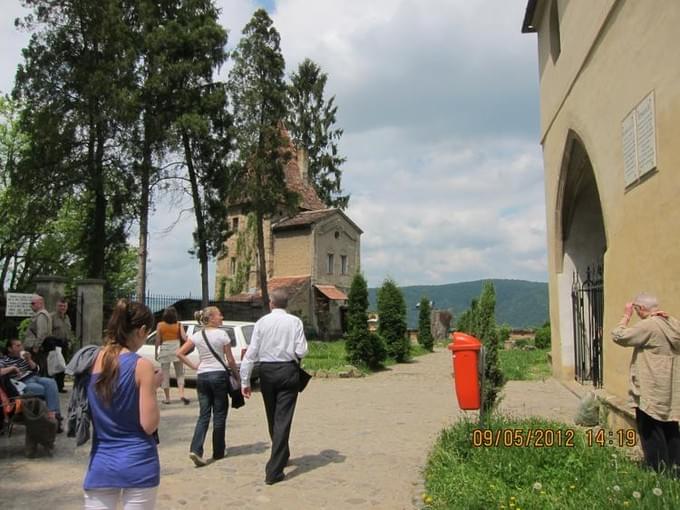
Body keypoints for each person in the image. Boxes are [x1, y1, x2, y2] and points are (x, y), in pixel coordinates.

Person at [83, 300, 161, 510]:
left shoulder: (91, 360)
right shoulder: (141, 365)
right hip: (138, 461)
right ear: (142, 330)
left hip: (100, 461)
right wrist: (153, 387)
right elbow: (149, 424)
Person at [240, 289, 308, 485]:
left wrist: (245, 381)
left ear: (271, 303)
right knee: (283, 418)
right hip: (288, 370)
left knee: (273, 416)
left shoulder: (262, 323)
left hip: (267, 371)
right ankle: (275, 468)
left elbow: (251, 353)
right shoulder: (295, 322)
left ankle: (280, 457)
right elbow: (301, 350)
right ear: (286, 304)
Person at [612, 292, 680, 475]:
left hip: (650, 387)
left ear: (640, 309)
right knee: (670, 427)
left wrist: (626, 316)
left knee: (651, 430)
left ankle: (657, 471)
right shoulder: (672, 324)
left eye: (636, 309)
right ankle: (675, 468)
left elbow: (619, 336)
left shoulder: (649, 326)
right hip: (669, 388)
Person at [177, 306, 238, 467]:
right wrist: (237, 377)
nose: (222, 317)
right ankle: (218, 451)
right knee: (219, 413)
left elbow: (180, 353)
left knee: (204, 415)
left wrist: (194, 366)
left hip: (202, 376)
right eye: (219, 315)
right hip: (218, 375)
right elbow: (230, 360)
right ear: (211, 318)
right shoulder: (222, 334)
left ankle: (196, 449)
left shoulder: (197, 335)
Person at [1, 338, 63, 431]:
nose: (21, 347)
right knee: (46, 390)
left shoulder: (23, 357)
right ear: (10, 349)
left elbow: (36, 369)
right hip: (23, 382)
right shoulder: (4, 360)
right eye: (17, 346)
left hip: (35, 377)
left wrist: (29, 359)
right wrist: (12, 368)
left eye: (21, 345)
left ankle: (52, 417)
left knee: (51, 382)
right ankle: (54, 418)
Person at [154, 306, 189, 405]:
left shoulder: (160, 325)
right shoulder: (179, 325)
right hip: (177, 351)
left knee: (165, 375)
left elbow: (157, 340)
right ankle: (181, 395)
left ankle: (167, 398)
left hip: (165, 350)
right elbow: (184, 337)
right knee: (180, 373)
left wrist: (156, 351)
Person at [24, 294, 52, 376]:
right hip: (39, 348)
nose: (31, 305)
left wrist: (36, 347)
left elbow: (42, 333)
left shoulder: (41, 315)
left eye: (33, 303)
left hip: (37, 349)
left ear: (40, 303)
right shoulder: (42, 314)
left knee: (38, 369)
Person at [49, 298, 74, 392]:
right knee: (55, 365)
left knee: (63, 366)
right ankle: (53, 386)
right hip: (55, 343)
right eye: (60, 306)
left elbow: (68, 331)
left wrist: (70, 341)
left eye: (64, 306)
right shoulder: (51, 317)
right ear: (56, 306)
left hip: (64, 343)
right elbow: (48, 331)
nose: (62, 308)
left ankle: (60, 386)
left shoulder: (67, 318)